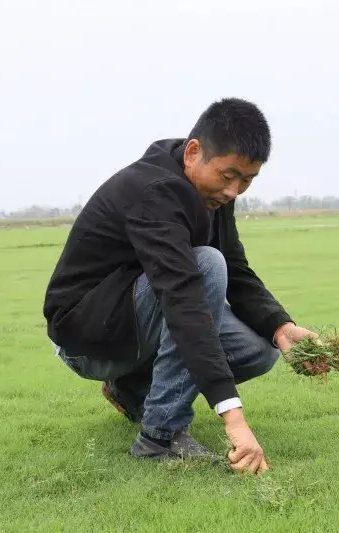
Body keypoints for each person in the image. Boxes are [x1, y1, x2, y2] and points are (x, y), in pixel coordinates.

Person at [43, 97, 316, 475]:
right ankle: (160, 437)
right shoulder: (154, 191)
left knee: (259, 349)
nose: (234, 191)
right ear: (193, 152)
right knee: (205, 265)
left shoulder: (214, 196)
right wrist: (234, 419)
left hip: (133, 319)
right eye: (228, 176)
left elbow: (235, 270)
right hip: (87, 336)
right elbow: (185, 297)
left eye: (247, 180)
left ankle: (134, 388)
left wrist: (281, 328)